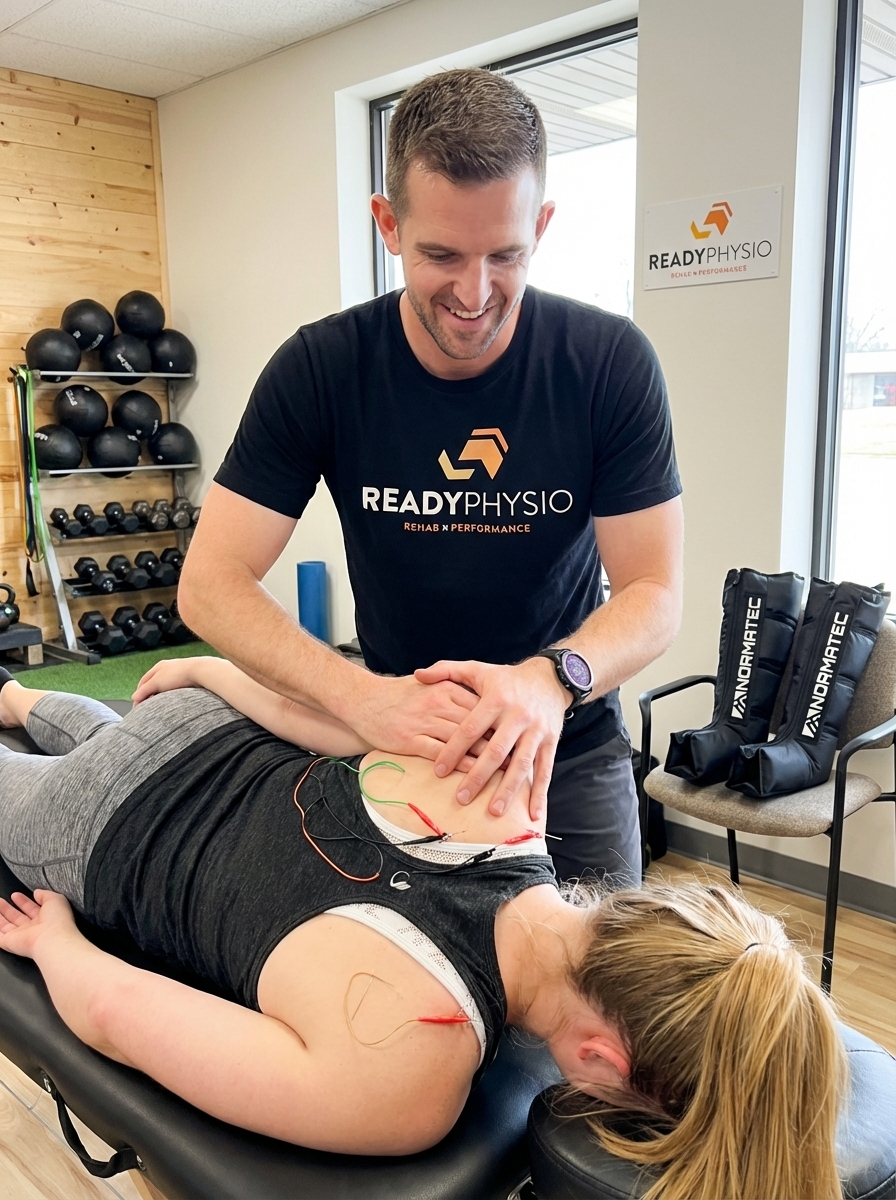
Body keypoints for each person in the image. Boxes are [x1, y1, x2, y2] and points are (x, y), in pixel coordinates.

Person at [0, 665, 843, 1199]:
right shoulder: (407, 1086)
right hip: (99, 827)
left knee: (95, 731)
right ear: (599, 1064)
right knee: (67, 770)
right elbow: (113, 1012)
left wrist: (209, 675)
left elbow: (328, 722)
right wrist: (55, 946)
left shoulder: (503, 798)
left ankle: (20, 696)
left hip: (196, 723)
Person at [177, 67, 684, 885]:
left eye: (506, 254)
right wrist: (362, 698)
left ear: (542, 225)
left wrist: (553, 680)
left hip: (567, 743)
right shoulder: (324, 367)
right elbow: (209, 584)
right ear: (388, 223)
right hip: (399, 740)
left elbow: (654, 594)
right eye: (441, 254)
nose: (476, 294)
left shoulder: (606, 363)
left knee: (597, 1002)